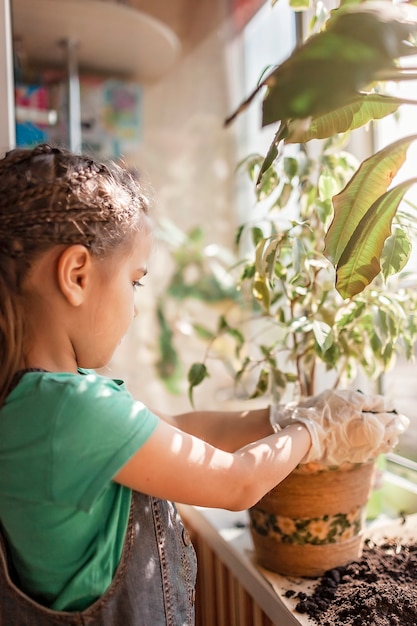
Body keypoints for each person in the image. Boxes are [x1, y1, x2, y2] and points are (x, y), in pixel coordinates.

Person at [0, 143, 318, 626]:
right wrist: (316, 431)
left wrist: (277, 417)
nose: (135, 306)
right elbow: (238, 483)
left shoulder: (34, 402)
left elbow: (174, 427)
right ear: (77, 275)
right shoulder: (71, 410)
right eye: (135, 281)